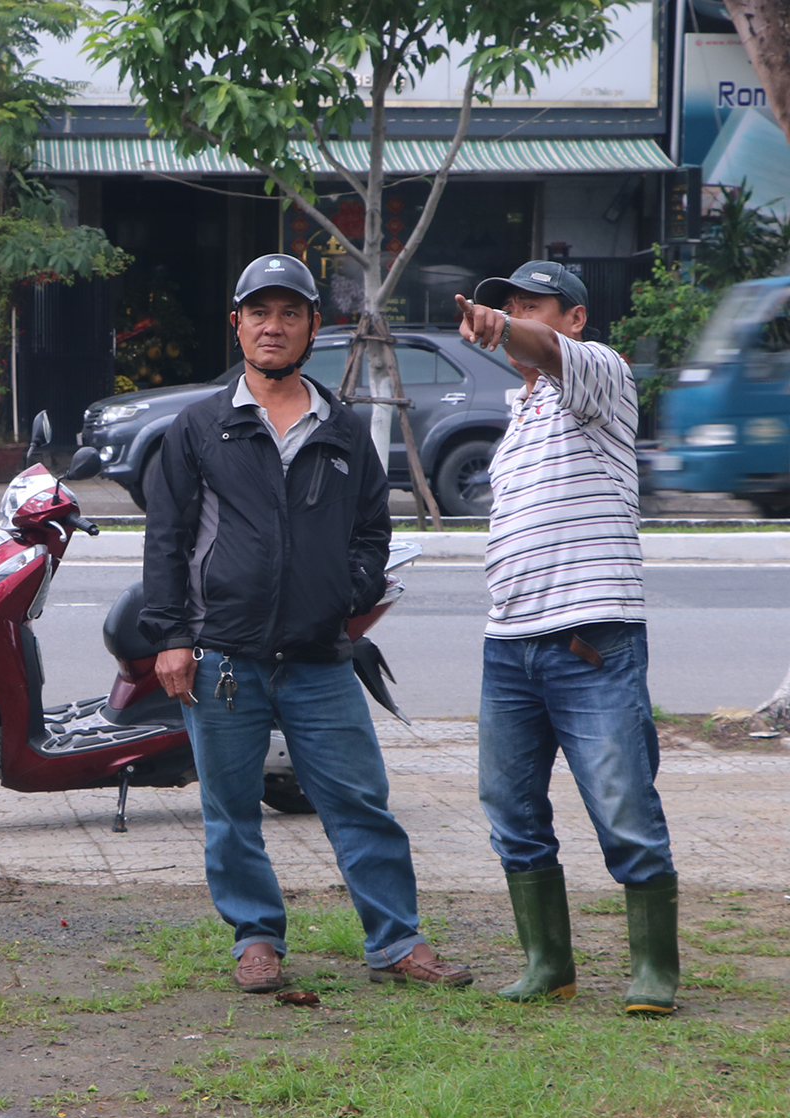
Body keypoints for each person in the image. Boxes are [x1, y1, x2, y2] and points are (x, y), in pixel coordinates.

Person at [138, 253, 472, 994]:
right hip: (223, 658)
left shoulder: (346, 430)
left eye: (291, 313)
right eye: (260, 312)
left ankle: (396, 943)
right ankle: (256, 939)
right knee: (231, 812)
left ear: (314, 327)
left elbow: (371, 535)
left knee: (360, 803)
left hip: (321, 658)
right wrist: (172, 637)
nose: (274, 326)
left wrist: (340, 597)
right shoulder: (196, 429)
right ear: (237, 324)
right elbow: (165, 541)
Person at [454, 262, 680, 1014]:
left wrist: (499, 329)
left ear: (573, 318)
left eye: (532, 306)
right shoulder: (521, 413)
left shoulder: (600, 377)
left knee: (621, 804)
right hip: (508, 643)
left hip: (591, 640)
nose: (515, 316)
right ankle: (548, 963)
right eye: (507, 307)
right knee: (510, 809)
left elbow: (547, 353)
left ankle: (654, 969)